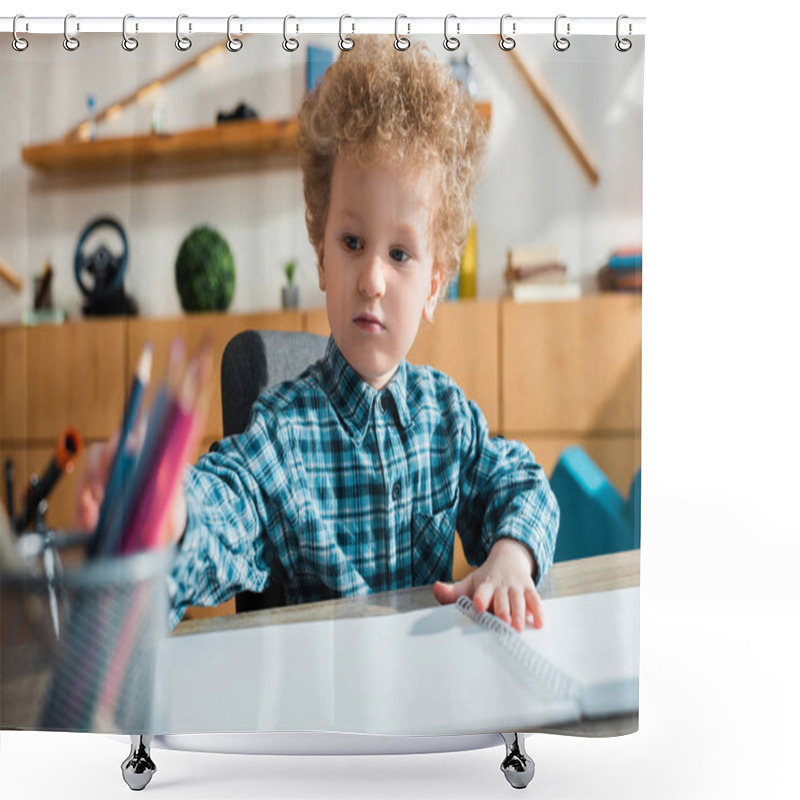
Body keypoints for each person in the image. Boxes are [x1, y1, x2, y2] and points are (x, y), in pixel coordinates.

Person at [76, 36, 559, 632]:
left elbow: (521, 482)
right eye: (352, 244)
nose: (372, 280)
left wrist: (513, 556)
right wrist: (173, 516)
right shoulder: (282, 433)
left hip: (428, 707)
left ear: (435, 285)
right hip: (320, 716)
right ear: (323, 259)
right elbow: (226, 507)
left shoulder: (448, 417)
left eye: (401, 253)